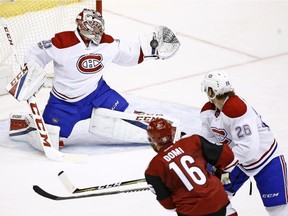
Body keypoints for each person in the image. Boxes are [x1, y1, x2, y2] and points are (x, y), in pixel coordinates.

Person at [7, 8, 180, 151]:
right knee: (51, 140)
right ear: (82, 26)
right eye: (93, 29)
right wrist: (30, 74)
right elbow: (35, 53)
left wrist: (153, 46)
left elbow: (129, 52)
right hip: (63, 104)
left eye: (99, 29)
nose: (97, 33)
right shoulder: (61, 42)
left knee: (124, 115)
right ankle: (24, 124)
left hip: (98, 94)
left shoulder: (107, 43)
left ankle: (160, 133)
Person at [200, 70, 288, 216]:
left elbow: (249, 149)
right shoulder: (208, 112)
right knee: (213, 200)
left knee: (278, 210)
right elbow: (208, 142)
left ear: (211, 92)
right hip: (238, 162)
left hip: (266, 159)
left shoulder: (236, 109)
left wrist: (220, 161)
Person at [144, 118, 238, 216]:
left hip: (191, 212)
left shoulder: (152, 169)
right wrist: (220, 175)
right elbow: (228, 158)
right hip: (219, 201)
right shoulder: (194, 141)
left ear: (152, 140)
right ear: (172, 133)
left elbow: (169, 205)